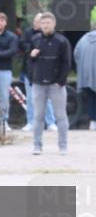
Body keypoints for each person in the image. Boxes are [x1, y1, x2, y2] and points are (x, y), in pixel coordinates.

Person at [27, 12, 73, 155]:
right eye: (43, 23)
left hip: (56, 85)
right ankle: (37, 145)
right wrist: (32, 57)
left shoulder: (62, 41)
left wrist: (61, 81)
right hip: (38, 84)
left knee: (61, 116)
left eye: (48, 23)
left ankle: (63, 146)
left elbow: (67, 62)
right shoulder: (35, 39)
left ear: (53, 24)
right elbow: (28, 61)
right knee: (38, 116)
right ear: (39, 25)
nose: (45, 25)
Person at [21, 13, 57, 131]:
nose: (41, 24)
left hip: (46, 71)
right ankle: (31, 122)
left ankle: (50, 122)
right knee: (31, 98)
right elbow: (23, 46)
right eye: (38, 21)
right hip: (30, 71)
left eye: (43, 21)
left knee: (47, 98)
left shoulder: (51, 36)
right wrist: (32, 51)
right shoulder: (28, 34)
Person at [74, 16, 96, 131]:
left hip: (86, 76)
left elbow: (76, 54)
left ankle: (93, 122)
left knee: (91, 98)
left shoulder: (83, 39)